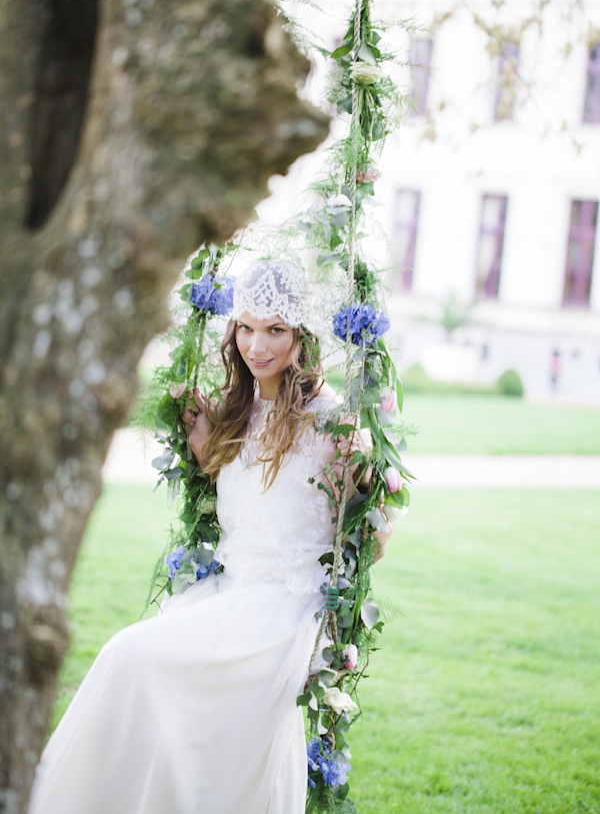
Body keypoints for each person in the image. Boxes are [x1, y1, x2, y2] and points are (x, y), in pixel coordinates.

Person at [28, 259, 391, 814]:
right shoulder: (234, 411)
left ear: (301, 335)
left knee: (132, 656)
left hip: (285, 608)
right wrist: (202, 445)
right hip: (229, 593)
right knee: (136, 673)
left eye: (275, 329)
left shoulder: (331, 421)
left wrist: (358, 474)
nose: (256, 345)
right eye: (245, 327)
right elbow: (238, 499)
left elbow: (370, 540)